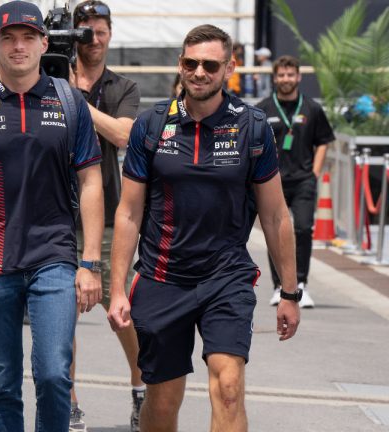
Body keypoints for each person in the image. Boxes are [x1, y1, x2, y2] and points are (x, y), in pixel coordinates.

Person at [108, 24, 301, 432]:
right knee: (162, 399)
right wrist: (117, 289)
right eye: (191, 63)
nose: (199, 72)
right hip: (162, 279)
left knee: (229, 386)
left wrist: (289, 292)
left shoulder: (253, 127)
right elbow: (128, 213)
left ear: (228, 68)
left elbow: (276, 215)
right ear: (180, 64)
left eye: (210, 65)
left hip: (226, 277)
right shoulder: (152, 125)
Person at [0, 2, 104, 430]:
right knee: (4, 383)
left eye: (28, 37)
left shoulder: (69, 102)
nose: (18, 46)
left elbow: (91, 183)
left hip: (54, 257)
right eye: (8, 37)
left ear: (44, 43)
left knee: (53, 375)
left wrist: (89, 263)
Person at [68, 1, 144, 431]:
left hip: (112, 215)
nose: (92, 40)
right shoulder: (49, 77)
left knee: (122, 310)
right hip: (58, 214)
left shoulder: (123, 87)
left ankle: (140, 389)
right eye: (84, 32)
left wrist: (75, 104)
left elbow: (123, 134)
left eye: (99, 31)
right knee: (61, 314)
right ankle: (69, 401)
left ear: (110, 34)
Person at [256, 55, 335, 308]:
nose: (286, 79)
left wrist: (313, 172)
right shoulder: (263, 109)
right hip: (272, 181)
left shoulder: (312, 108)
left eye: (290, 75)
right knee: (274, 231)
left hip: (303, 180)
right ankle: (280, 286)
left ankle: (300, 284)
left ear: (298, 77)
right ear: (275, 77)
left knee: (302, 229)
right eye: (281, 75)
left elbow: (323, 141)